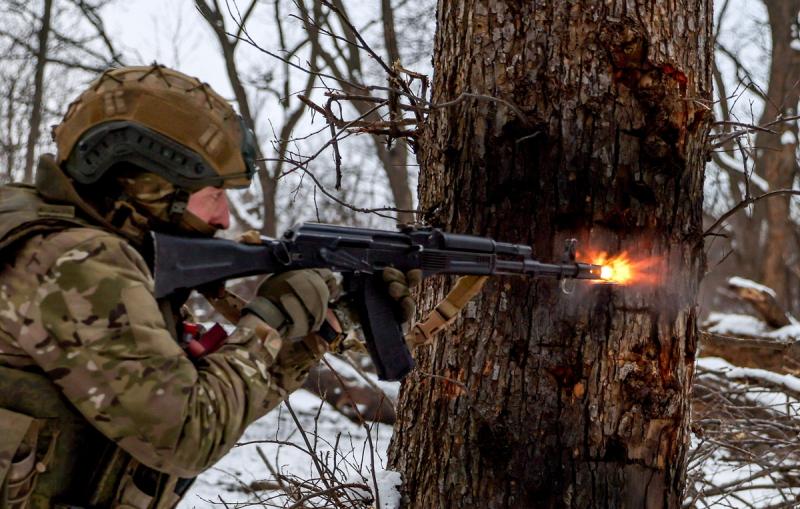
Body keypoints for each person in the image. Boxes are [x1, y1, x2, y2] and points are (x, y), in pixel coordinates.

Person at [0, 65, 417, 509]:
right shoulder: (76, 264)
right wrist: (272, 318)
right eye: (215, 194)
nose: (223, 219)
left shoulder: (49, 233)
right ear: (155, 185)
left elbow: (217, 399)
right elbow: (188, 433)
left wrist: (325, 326)